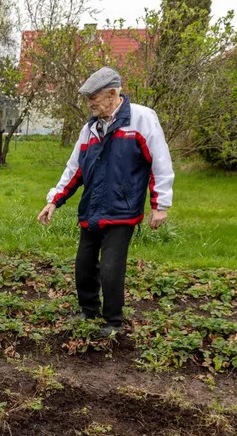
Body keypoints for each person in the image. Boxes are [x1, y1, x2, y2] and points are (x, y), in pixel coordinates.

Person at [37, 67, 174, 337]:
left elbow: (161, 163)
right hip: (92, 209)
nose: (90, 104)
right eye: (88, 98)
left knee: (111, 268)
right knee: (84, 265)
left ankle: (113, 322)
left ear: (113, 94)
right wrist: (54, 200)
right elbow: (74, 169)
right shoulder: (90, 129)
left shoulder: (141, 120)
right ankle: (88, 311)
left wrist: (161, 205)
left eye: (94, 98)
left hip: (122, 211)